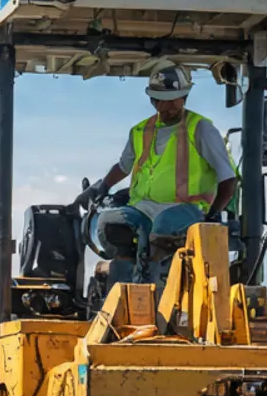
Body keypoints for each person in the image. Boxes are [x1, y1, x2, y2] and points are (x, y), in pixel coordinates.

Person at [80, 65, 238, 283]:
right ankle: (120, 295)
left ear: (185, 96)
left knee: (162, 229)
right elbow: (123, 166)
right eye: (160, 100)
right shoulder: (141, 130)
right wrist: (102, 187)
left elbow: (228, 179)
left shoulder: (201, 129)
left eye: (174, 100)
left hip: (188, 210)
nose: (167, 106)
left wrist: (213, 215)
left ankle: (155, 296)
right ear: (152, 100)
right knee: (111, 224)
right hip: (144, 208)